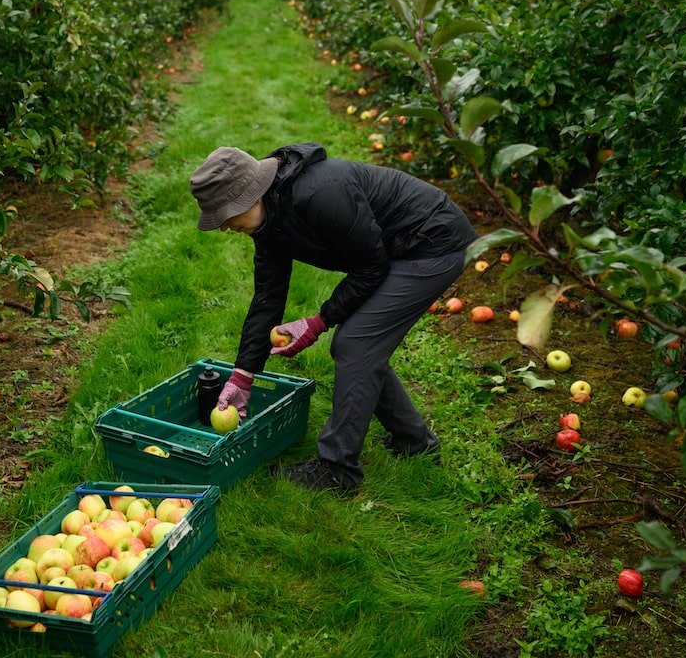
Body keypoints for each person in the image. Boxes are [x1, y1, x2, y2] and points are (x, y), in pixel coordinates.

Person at [190, 143, 478, 493]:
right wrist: (243, 375)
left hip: (432, 242)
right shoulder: (269, 222)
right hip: (392, 250)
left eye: (225, 215)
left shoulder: (319, 193)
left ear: (249, 195)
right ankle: (414, 443)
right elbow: (268, 297)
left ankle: (337, 470)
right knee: (361, 344)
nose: (224, 226)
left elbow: (371, 267)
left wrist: (318, 321)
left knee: (355, 343)